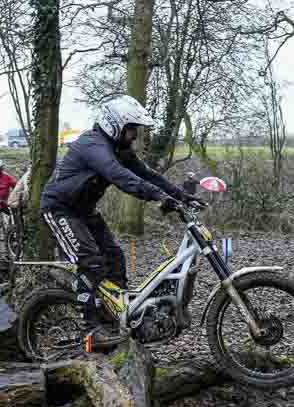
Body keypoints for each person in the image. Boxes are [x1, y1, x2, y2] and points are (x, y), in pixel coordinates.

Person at [40, 94, 206, 346]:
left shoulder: (119, 149)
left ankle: (116, 315)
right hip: (59, 209)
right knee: (91, 262)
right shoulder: (93, 146)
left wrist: (181, 196)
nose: (135, 136)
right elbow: (119, 176)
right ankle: (90, 327)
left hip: (84, 211)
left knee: (115, 256)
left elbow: (148, 175)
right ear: (113, 125)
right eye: (131, 130)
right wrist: (158, 197)